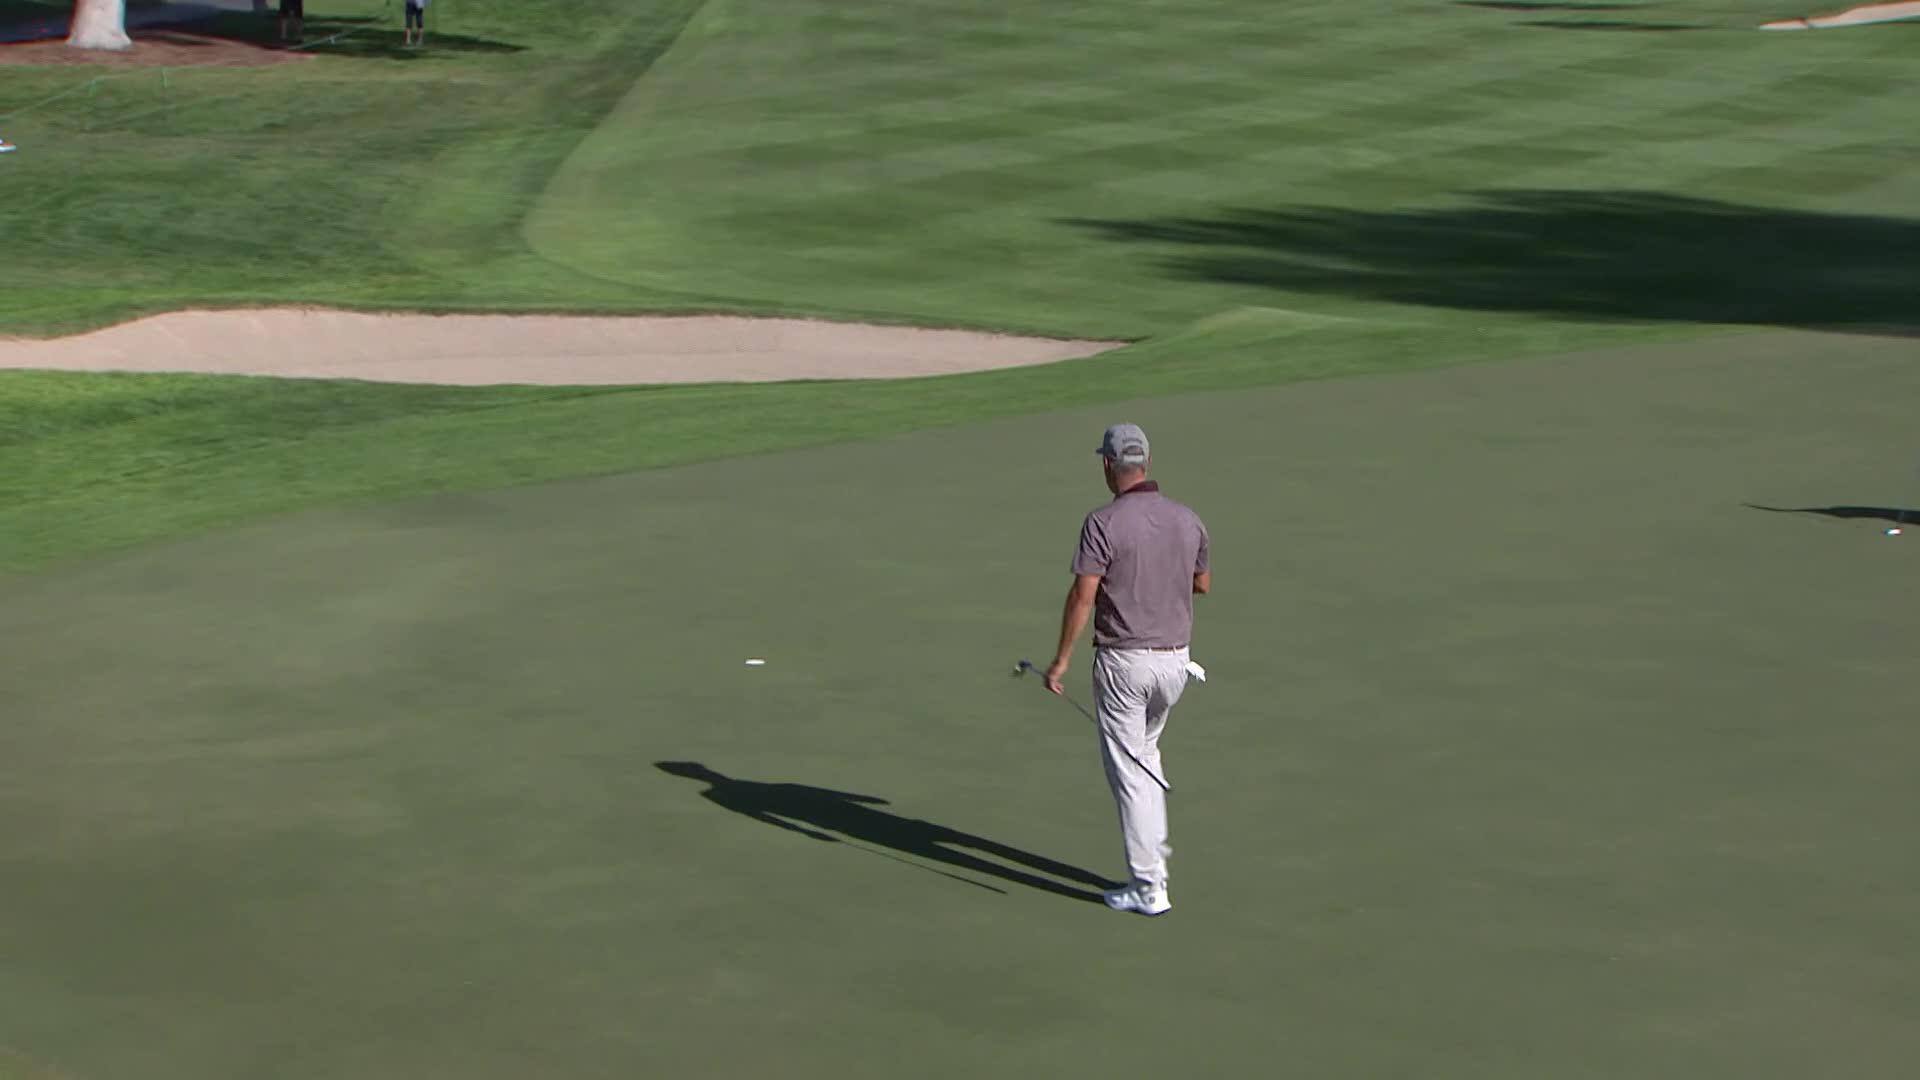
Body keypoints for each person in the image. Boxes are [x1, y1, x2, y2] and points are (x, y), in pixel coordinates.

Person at [1044, 423, 1210, 916]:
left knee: (1132, 774)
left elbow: (1082, 597)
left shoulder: (1102, 523)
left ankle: (1147, 886)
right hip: (1176, 665)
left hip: (1125, 666)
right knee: (1146, 760)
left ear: (1106, 466)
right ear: (1147, 463)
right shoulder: (1188, 518)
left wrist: (1061, 661)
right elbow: (1202, 584)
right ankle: (1154, 861)